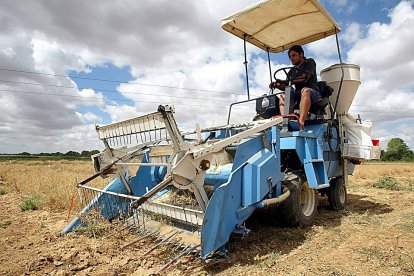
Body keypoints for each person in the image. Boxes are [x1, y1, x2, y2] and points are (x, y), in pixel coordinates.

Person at [270, 45, 320, 128]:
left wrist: (284, 81)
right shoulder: (291, 71)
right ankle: (286, 122)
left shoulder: (309, 62)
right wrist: (277, 85)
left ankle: (301, 122)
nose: (291, 58)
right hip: (298, 94)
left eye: (294, 55)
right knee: (283, 95)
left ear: (301, 54)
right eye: (290, 57)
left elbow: (304, 78)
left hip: (312, 93)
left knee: (305, 90)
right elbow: (286, 86)